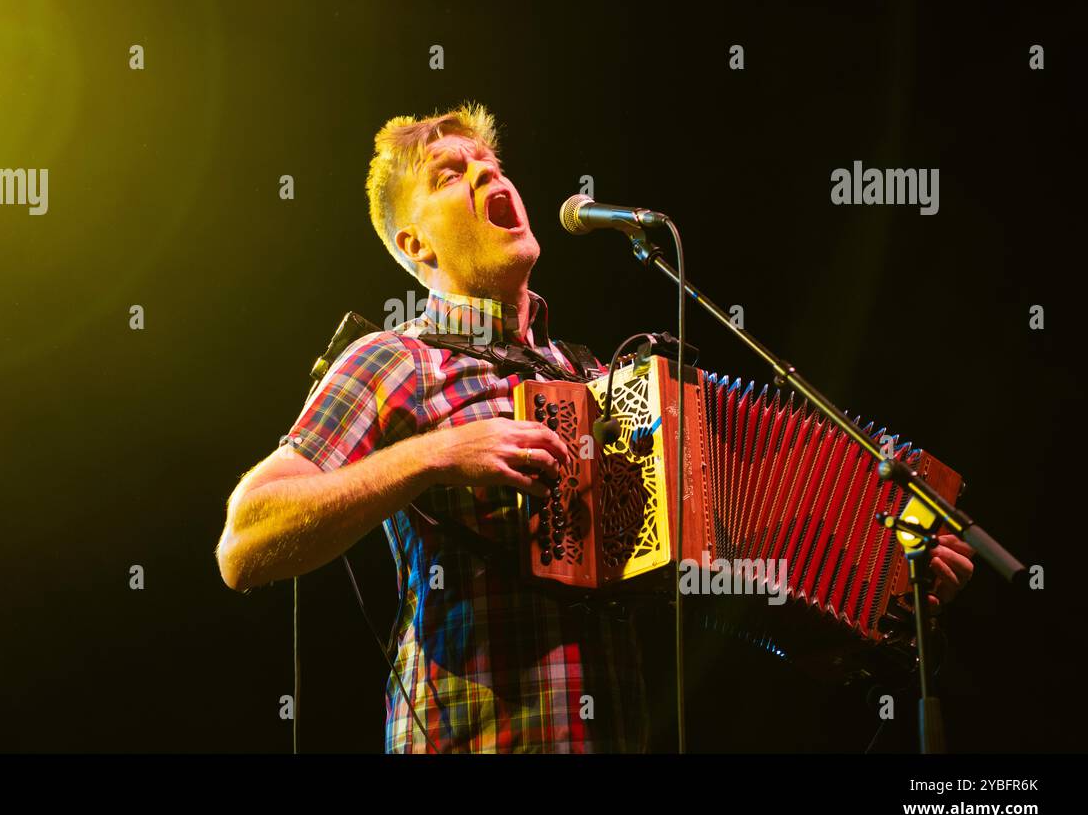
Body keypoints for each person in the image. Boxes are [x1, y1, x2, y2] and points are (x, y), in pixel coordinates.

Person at [215, 101, 974, 753]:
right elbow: (245, 542)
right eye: (451, 172)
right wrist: (437, 455)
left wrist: (885, 575)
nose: (489, 174)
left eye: (492, 161)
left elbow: (729, 580)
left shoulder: (602, 389)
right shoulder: (395, 360)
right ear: (415, 245)